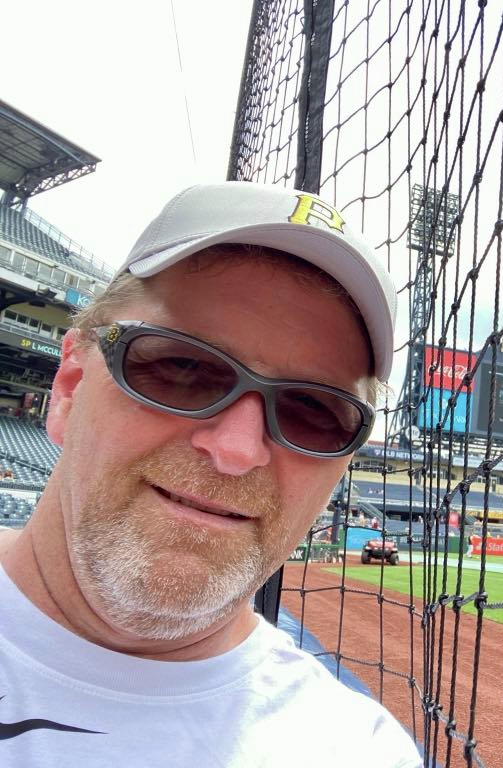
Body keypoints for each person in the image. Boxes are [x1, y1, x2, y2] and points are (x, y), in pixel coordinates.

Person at [0, 182, 422, 767]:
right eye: (181, 366)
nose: (237, 449)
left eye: (314, 413)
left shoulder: (355, 752)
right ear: (69, 388)